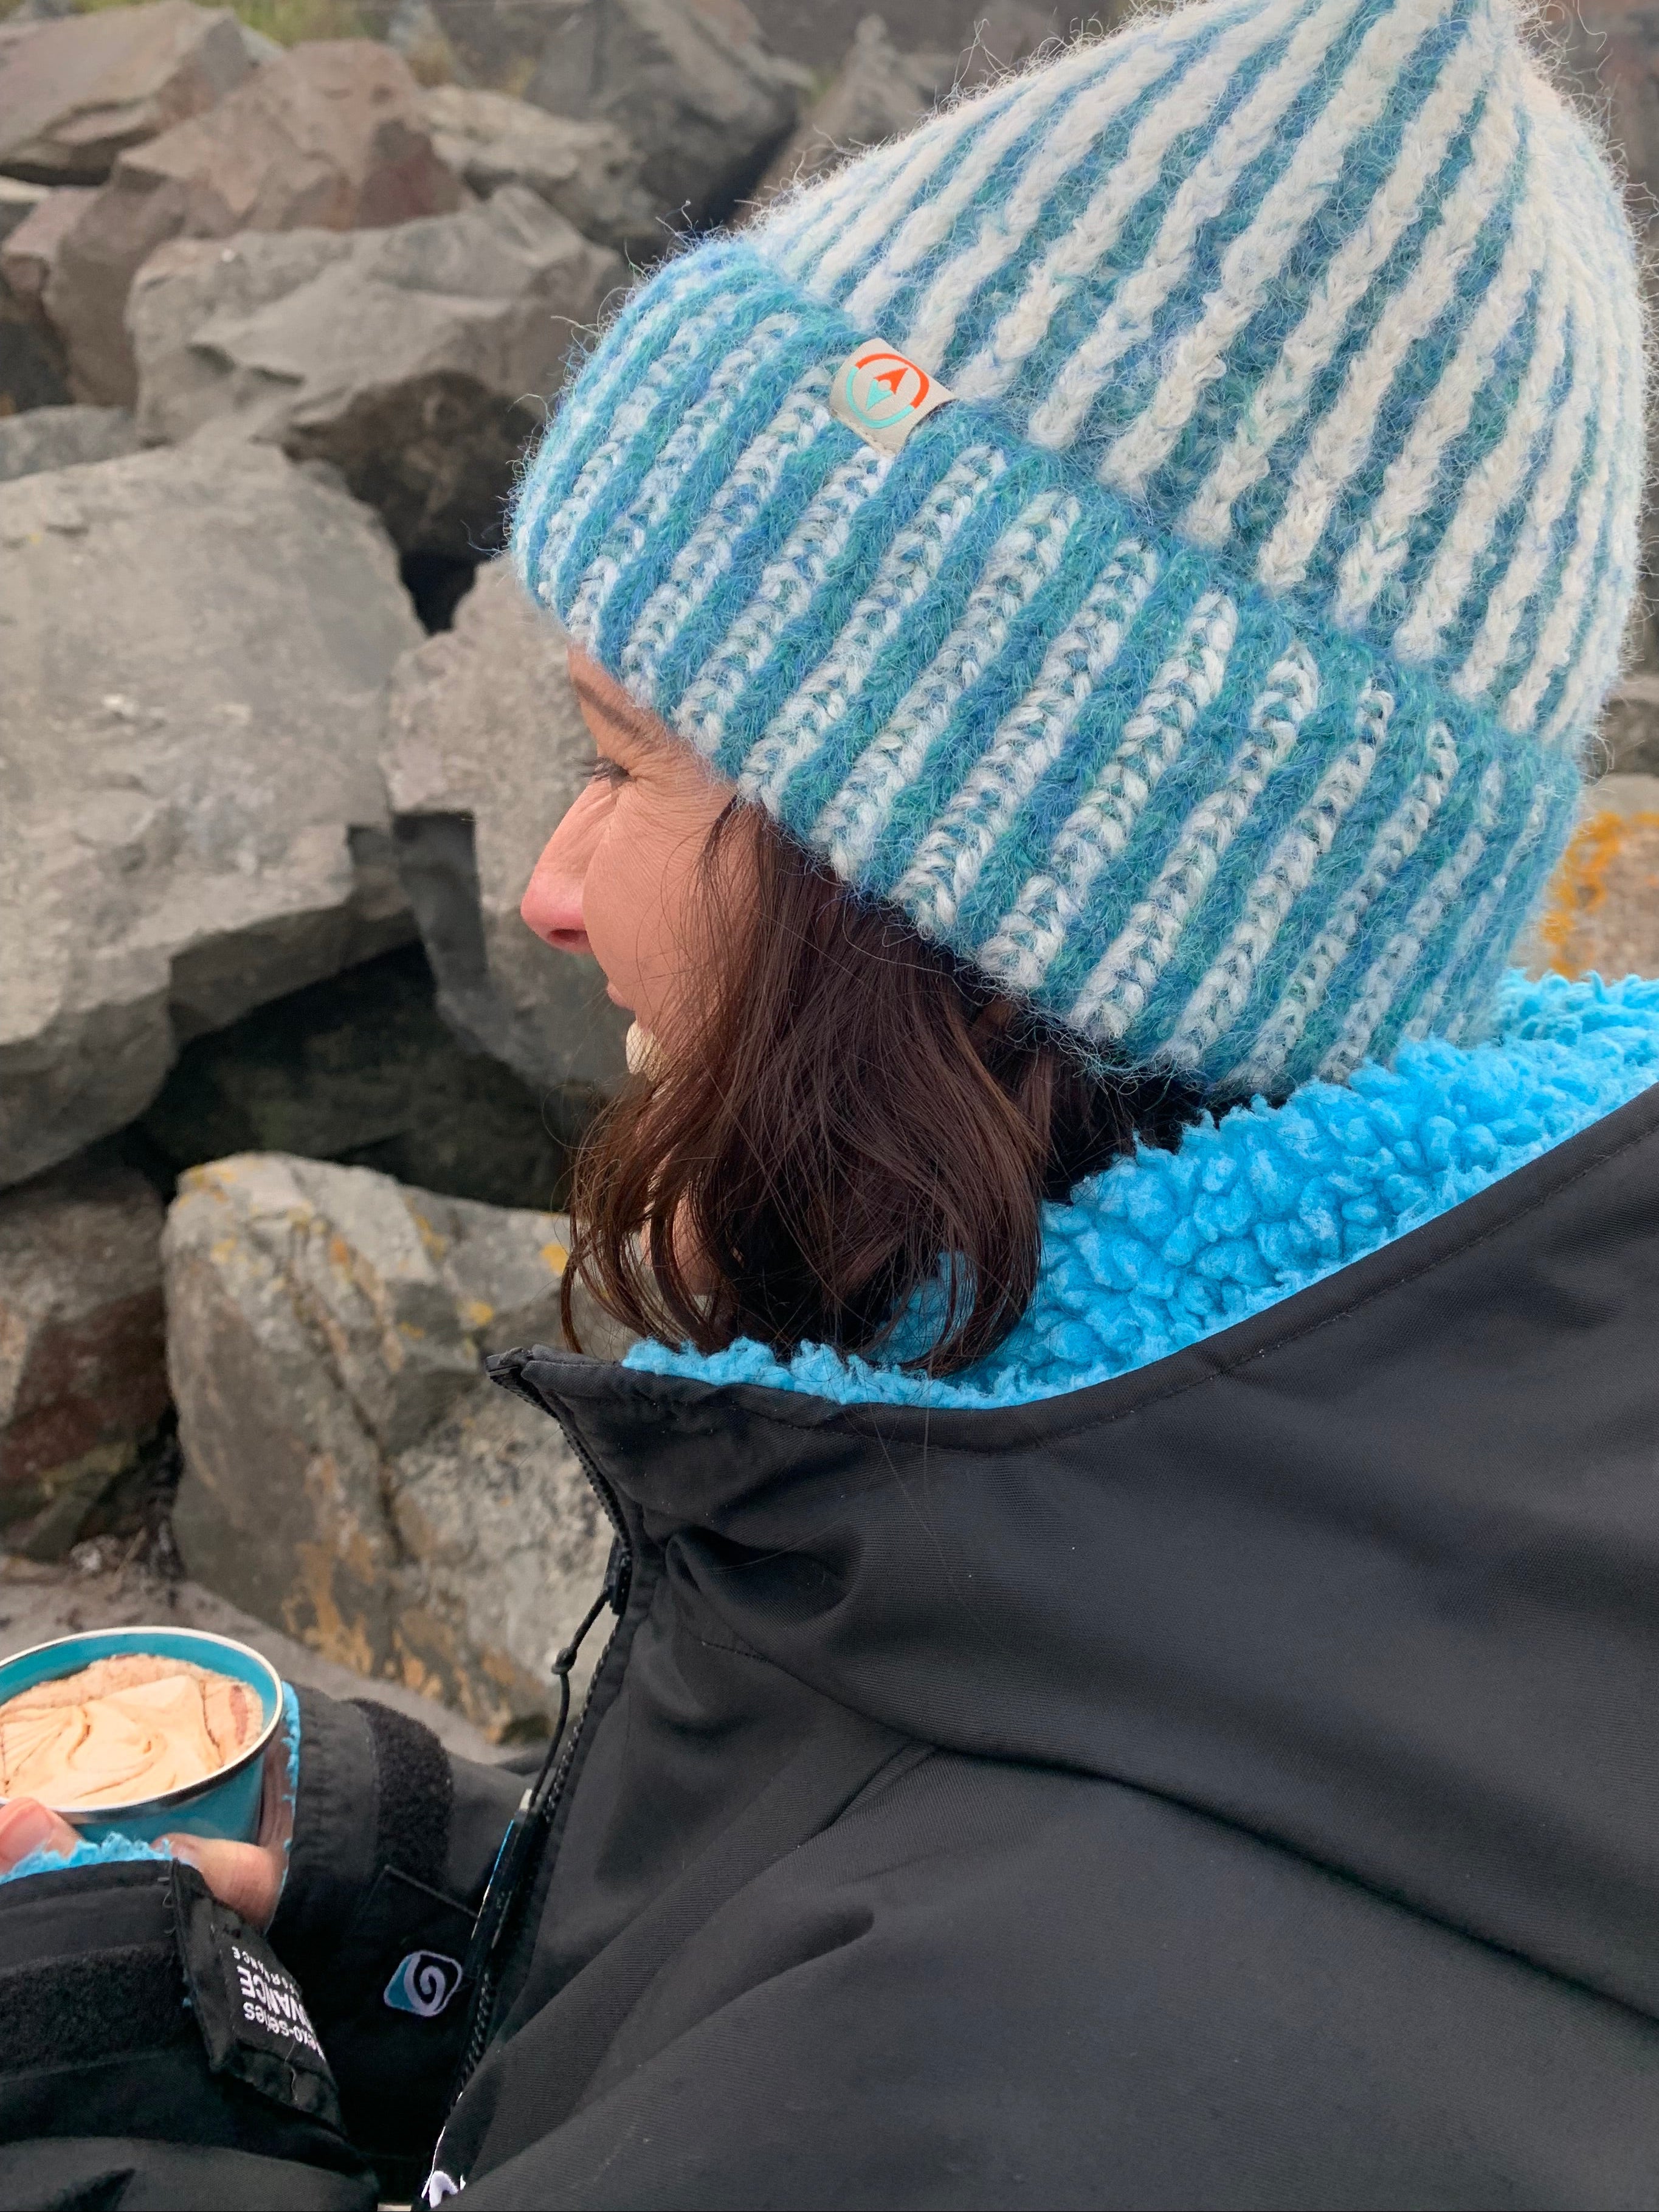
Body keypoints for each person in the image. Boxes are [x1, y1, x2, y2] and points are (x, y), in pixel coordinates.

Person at [4, 0, 1658, 2199]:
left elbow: (917, 2043)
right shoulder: (1371, 1436)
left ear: (973, 913)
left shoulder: (1020, 2064)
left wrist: (66, 2097)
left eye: (613, 761)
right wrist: (456, 1923)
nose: (550, 888)